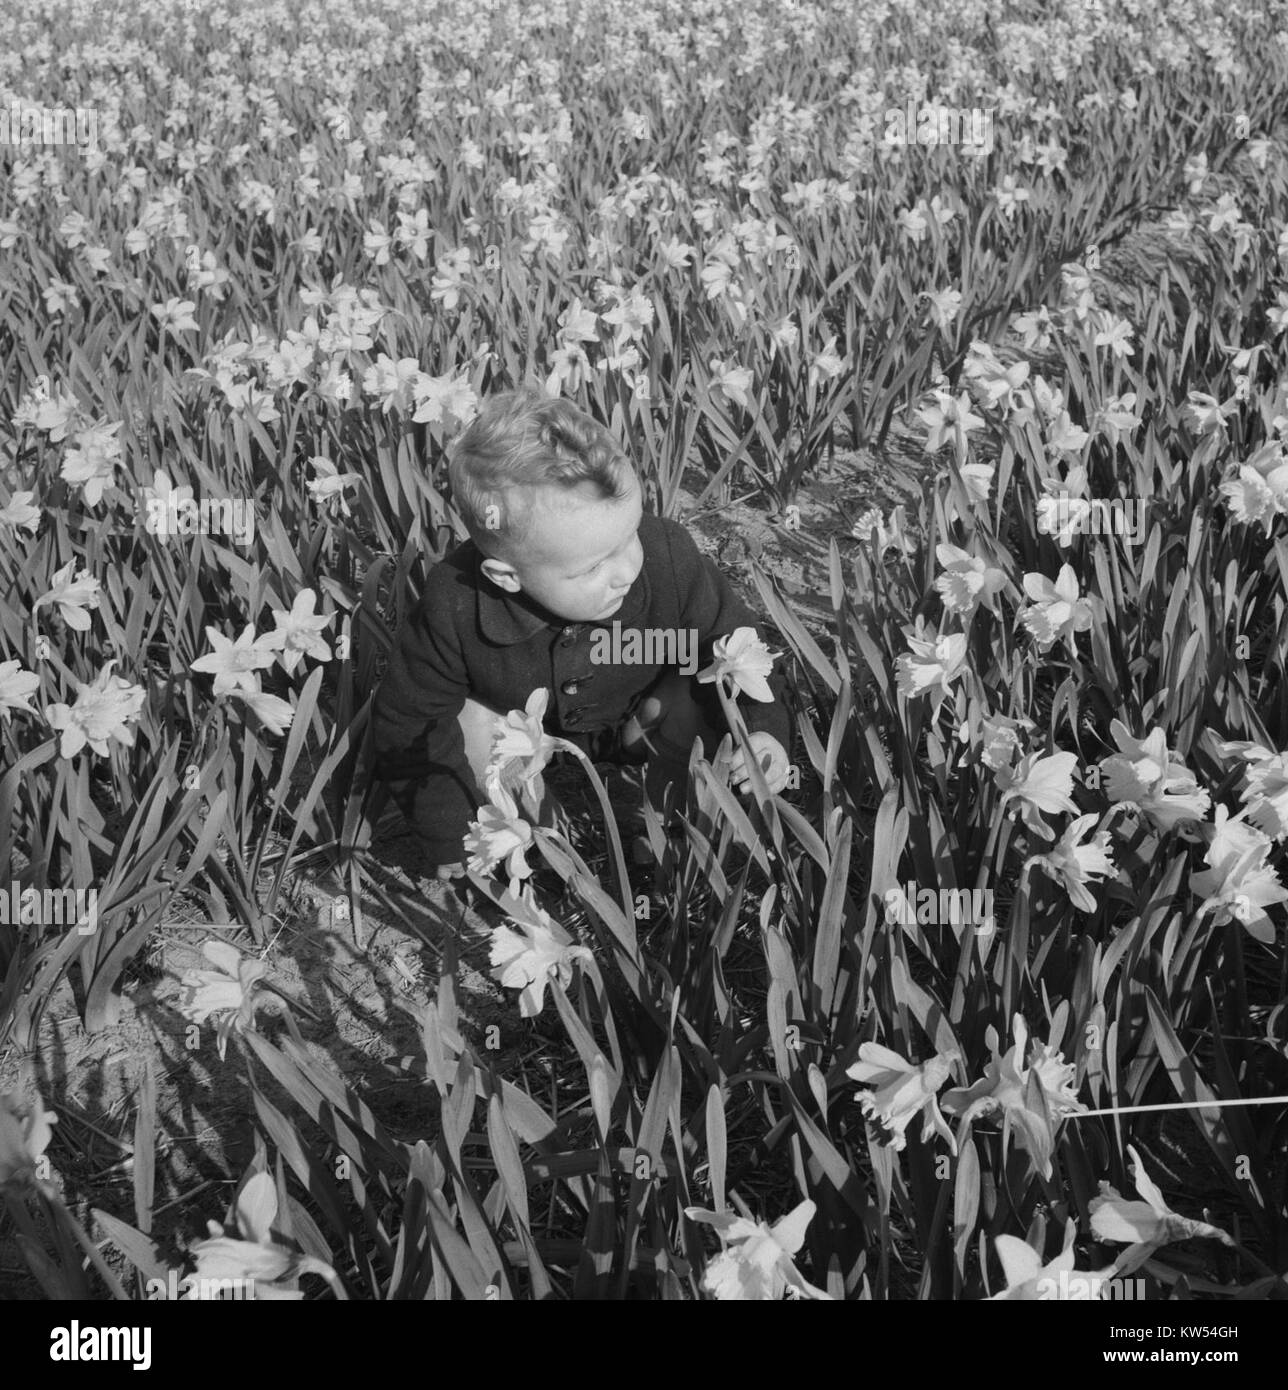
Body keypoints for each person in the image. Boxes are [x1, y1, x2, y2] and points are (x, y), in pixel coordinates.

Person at [370, 386, 792, 879]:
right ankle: (540, 845)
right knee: (471, 722)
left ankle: (671, 829)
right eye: (593, 566)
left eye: (630, 533)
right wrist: (449, 829)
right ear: (507, 576)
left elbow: (739, 643)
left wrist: (762, 732)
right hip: (525, 734)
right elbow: (409, 720)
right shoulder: (455, 604)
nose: (625, 570)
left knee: (702, 683)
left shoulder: (667, 556)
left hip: (643, 716)